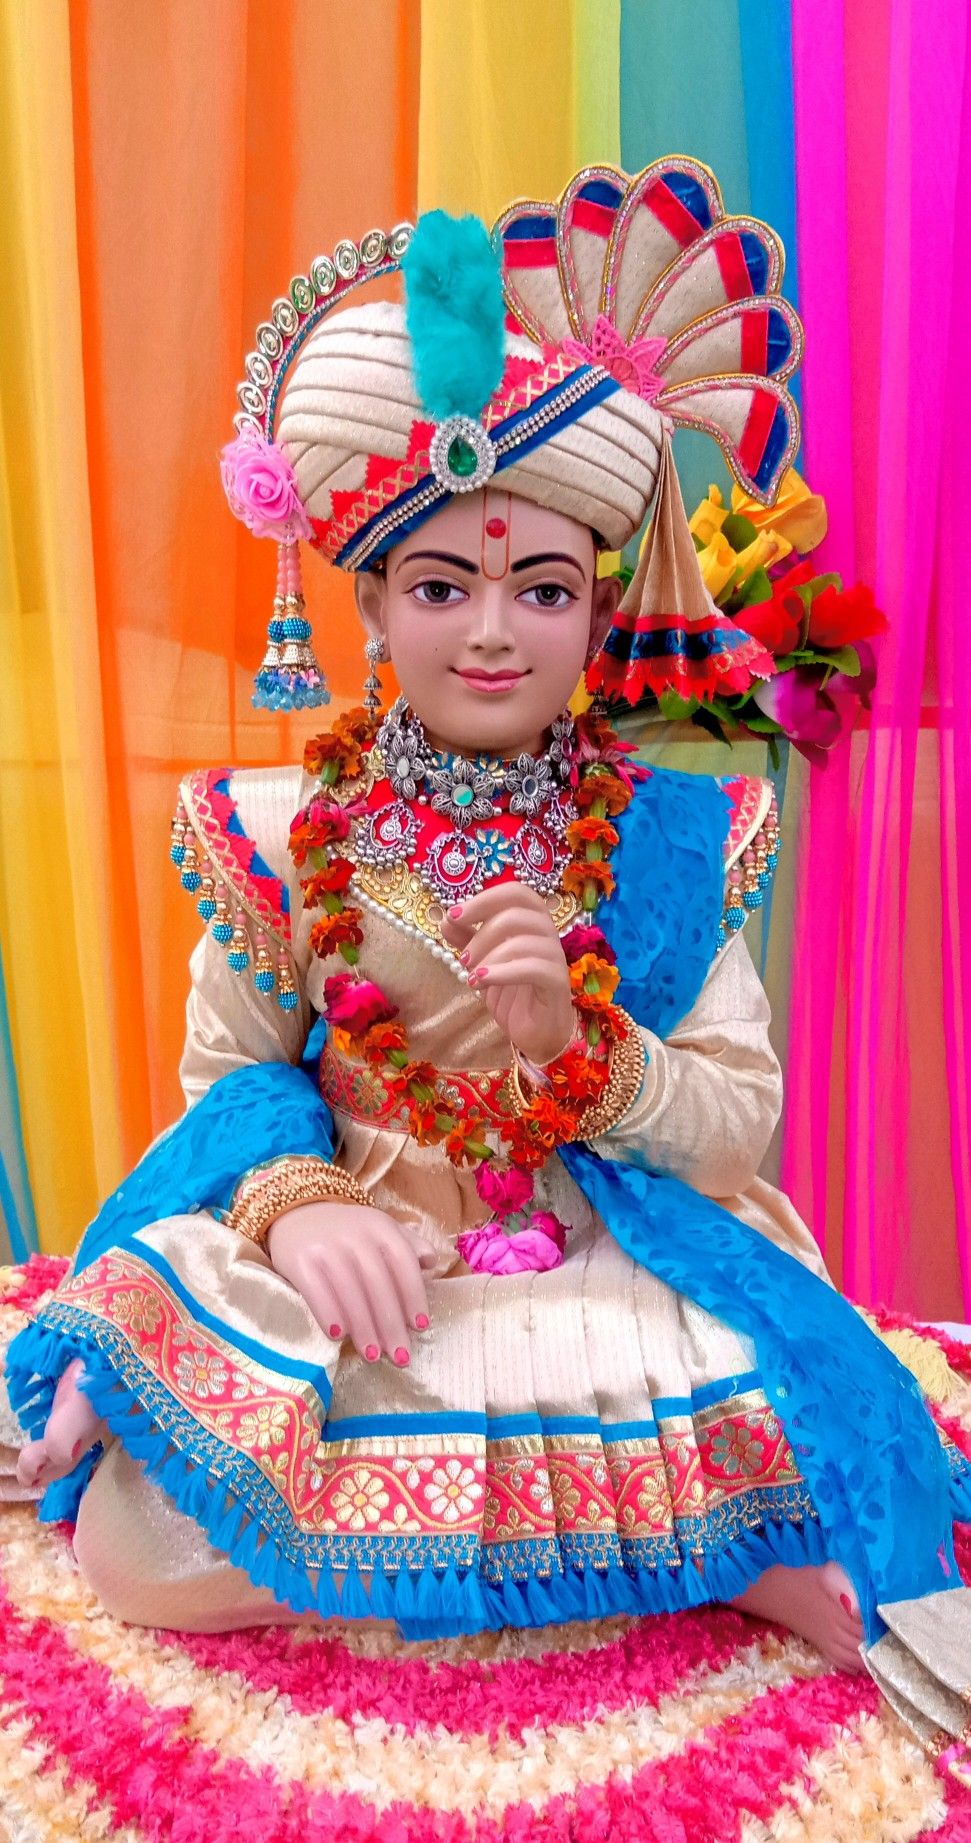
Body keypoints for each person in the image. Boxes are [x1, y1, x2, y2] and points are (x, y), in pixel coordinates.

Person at [3, 164, 969, 1761]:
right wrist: (300, 1210)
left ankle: (621, 1556)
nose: (495, 633)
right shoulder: (285, 825)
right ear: (370, 605)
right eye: (443, 588)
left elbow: (737, 1117)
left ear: (598, 614)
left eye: (543, 589)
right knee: (142, 1547)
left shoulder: (673, 835)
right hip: (365, 1262)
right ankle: (646, 1568)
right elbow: (232, 1075)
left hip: (614, 1241)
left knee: (822, 1434)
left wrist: (586, 1048)